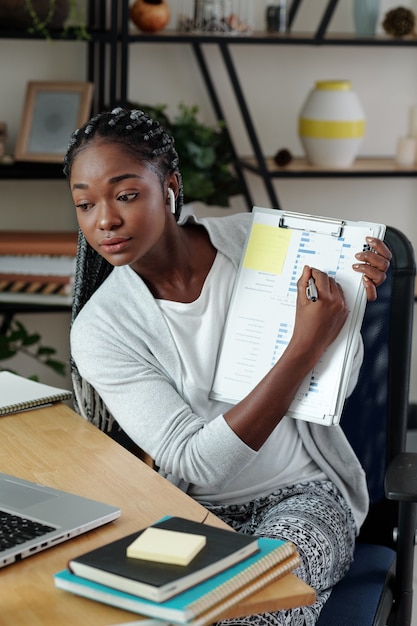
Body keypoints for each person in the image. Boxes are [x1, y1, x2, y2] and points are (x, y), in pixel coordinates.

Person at [64, 107, 391, 626]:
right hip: (190, 515)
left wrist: (346, 309)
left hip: (304, 494)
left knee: (255, 607)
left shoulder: (261, 243)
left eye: (126, 194)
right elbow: (195, 464)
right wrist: (304, 346)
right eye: (85, 204)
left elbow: (332, 389)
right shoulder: (103, 328)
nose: (105, 220)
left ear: (169, 186)